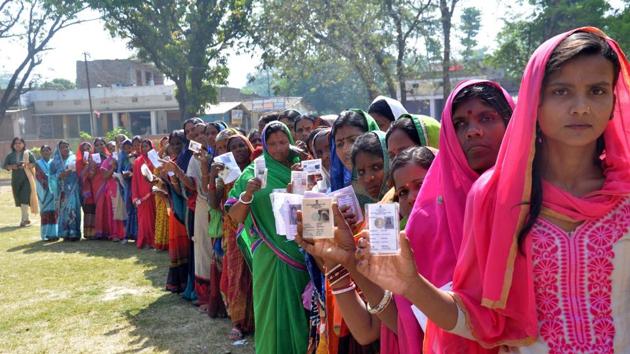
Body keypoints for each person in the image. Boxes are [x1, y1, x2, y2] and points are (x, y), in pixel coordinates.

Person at [359, 27, 630, 353]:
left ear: (615, 102)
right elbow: (479, 320)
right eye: (561, 91)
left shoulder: (625, 194)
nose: (581, 107)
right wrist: (412, 285)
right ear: (534, 100)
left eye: (597, 90)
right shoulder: (495, 197)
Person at [295, 146, 437, 354]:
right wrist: (339, 260)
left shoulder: (470, 243)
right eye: (403, 192)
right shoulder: (394, 239)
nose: (412, 198)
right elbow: (369, 330)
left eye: (421, 185)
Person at [227, 121, 310, 353]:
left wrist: (302, 179)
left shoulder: (302, 165)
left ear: (291, 142)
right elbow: (235, 216)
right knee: (270, 310)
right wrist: (248, 194)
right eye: (271, 144)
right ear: (264, 145)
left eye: (283, 142)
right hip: (268, 252)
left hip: (301, 250)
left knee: (300, 306)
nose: (278, 148)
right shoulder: (253, 172)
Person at [217, 132, 256, 339]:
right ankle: (239, 322)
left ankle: (259, 319)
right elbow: (217, 203)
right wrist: (212, 176)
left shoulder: (257, 169)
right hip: (233, 229)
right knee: (237, 274)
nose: (239, 150)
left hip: (255, 227)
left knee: (256, 273)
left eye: (242, 145)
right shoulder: (225, 171)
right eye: (234, 147)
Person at [330, 110, 380, 191]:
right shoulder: (341, 191)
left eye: (353, 140)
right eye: (340, 144)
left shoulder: (394, 184)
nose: (345, 150)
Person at [92, 137, 125, 241]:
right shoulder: (106, 161)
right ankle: (114, 233)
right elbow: (105, 176)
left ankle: (124, 233)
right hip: (111, 188)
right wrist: (113, 168)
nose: (112, 149)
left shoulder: (122, 158)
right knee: (113, 211)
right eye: (110, 148)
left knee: (123, 210)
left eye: (113, 147)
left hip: (123, 187)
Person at [51, 140, 82, 241]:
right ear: (58, 149)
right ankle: (64, 232)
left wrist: (72, 171)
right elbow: (51, 177)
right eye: (62, 147)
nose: (65, 149)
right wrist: (59, 176)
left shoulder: (74, 159)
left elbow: (81, 171)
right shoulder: (54, 161)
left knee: (73, 209)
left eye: (67, 147)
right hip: (62, 191)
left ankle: (74, 233)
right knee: (63, 211)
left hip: (73, 188)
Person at [3, 137, 38, 227]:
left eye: (20, 143)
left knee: (24, 197)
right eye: (16, 143)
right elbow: (5, 166)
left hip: (27, 179)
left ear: (23, 144)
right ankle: (26, 218)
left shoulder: (28, 153)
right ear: (13, 145)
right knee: (19, 199)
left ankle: (24, 220)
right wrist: (13, 166)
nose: (18, 145)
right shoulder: (10, 156)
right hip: (16, 180)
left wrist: (26, 165)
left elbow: (35, 164)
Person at [132, 139, 157, 249]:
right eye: (142, 147)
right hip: (143, 195)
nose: (144, 149)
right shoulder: (138, 161)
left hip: (155, 192)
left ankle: (156, 241)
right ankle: (146, 240)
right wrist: (135, 196)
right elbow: (135, 180)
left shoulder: (155, 159)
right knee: (144, 220)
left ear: (151, 147)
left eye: (146, 146)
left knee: (155, 218)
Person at [34, 145, 58, 240]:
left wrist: (54, 181)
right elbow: (39, 176)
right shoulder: (38, 163)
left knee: (54, 212)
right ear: (41, 152)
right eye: (44, 150)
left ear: (51, 151)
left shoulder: (54, 162)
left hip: (54, 190)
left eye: (48, 150)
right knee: (45, 212)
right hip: (44, 191)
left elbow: (57, 173)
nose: (46, 152)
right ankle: (46, 235)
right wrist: (50, 179)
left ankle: (55, 233)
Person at [117, 140, 138, 244]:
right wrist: (122, 175)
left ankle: (136, 233)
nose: (127, 149)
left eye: (129, 147)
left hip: (135, 184)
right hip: (126, 186)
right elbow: (119, 170)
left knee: (136, 209)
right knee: (128, 209)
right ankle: (127, 234)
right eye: (125, 147)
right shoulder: (121, 157)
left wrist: (132, 173)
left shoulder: (135, 156)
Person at [76, 142, 96, 239]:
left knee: (96, 209)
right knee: (88, 209)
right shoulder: (79, 162)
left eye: (88, 148)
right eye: (84, 149)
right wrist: (87, 165)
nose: (87, 150)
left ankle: (96, 231)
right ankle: (88, 233)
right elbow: (81, 176)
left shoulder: (95, 159)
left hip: (96, 187)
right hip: (86, 190)